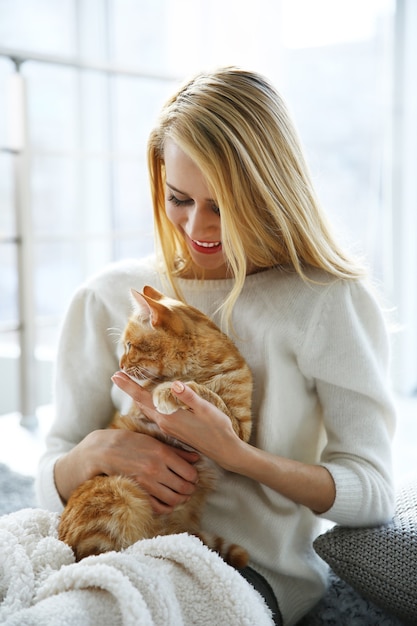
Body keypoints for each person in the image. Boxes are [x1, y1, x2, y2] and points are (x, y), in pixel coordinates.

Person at [36, 66, 396, 626]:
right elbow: (50, 463)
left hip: (244, 572)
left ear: (271, 190)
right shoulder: (108, 297)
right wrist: (93, 454)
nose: (198, 227)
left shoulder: (328, 300)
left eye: (224, 205)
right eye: (180, 198)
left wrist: (236, 456)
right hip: (111, 541)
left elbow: (371, 490)